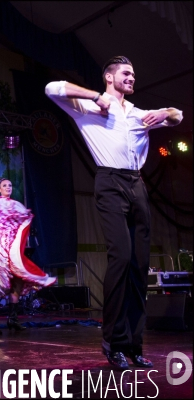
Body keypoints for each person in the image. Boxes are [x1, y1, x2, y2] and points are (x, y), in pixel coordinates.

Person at [45, 56, 183, 369]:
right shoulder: (88, 107)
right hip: (109, 182)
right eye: (126, 73)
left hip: (137, 185)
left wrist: (166, 112)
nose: (132, 78)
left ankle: (134, 345)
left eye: (134, 74)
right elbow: (52, 88)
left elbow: (178, 116)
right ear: (109, 77)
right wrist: (95, 96)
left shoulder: (138, 113)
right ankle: (113, 343)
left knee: (139, 266)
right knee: (120, 257)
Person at [0, 178, 56, 335]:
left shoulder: (15, 205)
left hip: (9, 249)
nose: (8, 188)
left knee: (17, 280)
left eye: (10, 185)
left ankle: (12, 319)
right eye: (5, 186)